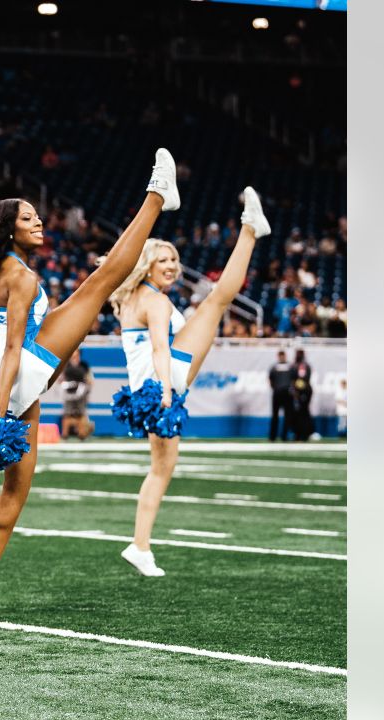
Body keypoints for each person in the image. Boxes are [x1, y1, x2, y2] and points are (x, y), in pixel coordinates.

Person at [0, 148, 183, 619]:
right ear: (9, 228)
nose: (39, 223)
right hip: (21, 373)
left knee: (15, 491)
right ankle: (156, 196)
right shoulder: (20, 275)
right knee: (103, 281)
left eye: (38, 216)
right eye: (28, 218)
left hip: (9, 379)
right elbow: (14, 348)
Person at [111, 187, 272, 577]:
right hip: (160, 383)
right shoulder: (156, 302)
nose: (171, 265)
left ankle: (140, 546)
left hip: (148, 389)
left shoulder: (135, 298)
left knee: (161, 469)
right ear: (146, 265)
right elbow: (159, 350)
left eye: (174, 258)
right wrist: (167, 389)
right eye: (162, 259)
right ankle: (250, 229)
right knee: (218, 300)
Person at [60, 347, 95, 440]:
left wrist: (87, 386)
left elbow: (89, 378)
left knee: (81, 413)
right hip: (68, 392)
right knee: (67, 413)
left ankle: (82, 433)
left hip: (81, 393)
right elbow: (61, 378)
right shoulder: (66, 365)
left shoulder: (84, 365)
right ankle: (65, 434)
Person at [268, 349, 293, 441]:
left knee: (287, 416)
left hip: (286, 392)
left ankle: (284, 436)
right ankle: (273, 436)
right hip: (278, 392)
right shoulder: (274, 367)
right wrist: (275, 388)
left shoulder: (290, 366)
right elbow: (270, 379)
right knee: (275, 415)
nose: (282, 357)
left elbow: (294, 379)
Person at [290, 348, 315, 441]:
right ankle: (300, 433)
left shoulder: (302, 366)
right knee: (299, 413)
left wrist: (297, 390)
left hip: (304, 392)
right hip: (300, 391)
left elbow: (302, 381)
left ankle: (304, 434)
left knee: (303, 412)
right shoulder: (295, 365)